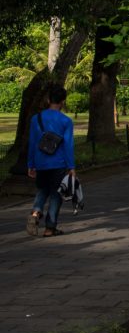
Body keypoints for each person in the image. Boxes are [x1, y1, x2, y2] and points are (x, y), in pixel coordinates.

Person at [27, 84, 75, 237]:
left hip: (40, 161)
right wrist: (71, 166)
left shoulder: (36, 118)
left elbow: (33, 142)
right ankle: (50, 227)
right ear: (62, 101)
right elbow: (68, 145)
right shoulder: (66, 121)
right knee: (55, 194)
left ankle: (35, 213)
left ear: (48, 100)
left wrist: (30, 164)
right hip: (58, 163)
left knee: (42, 190)